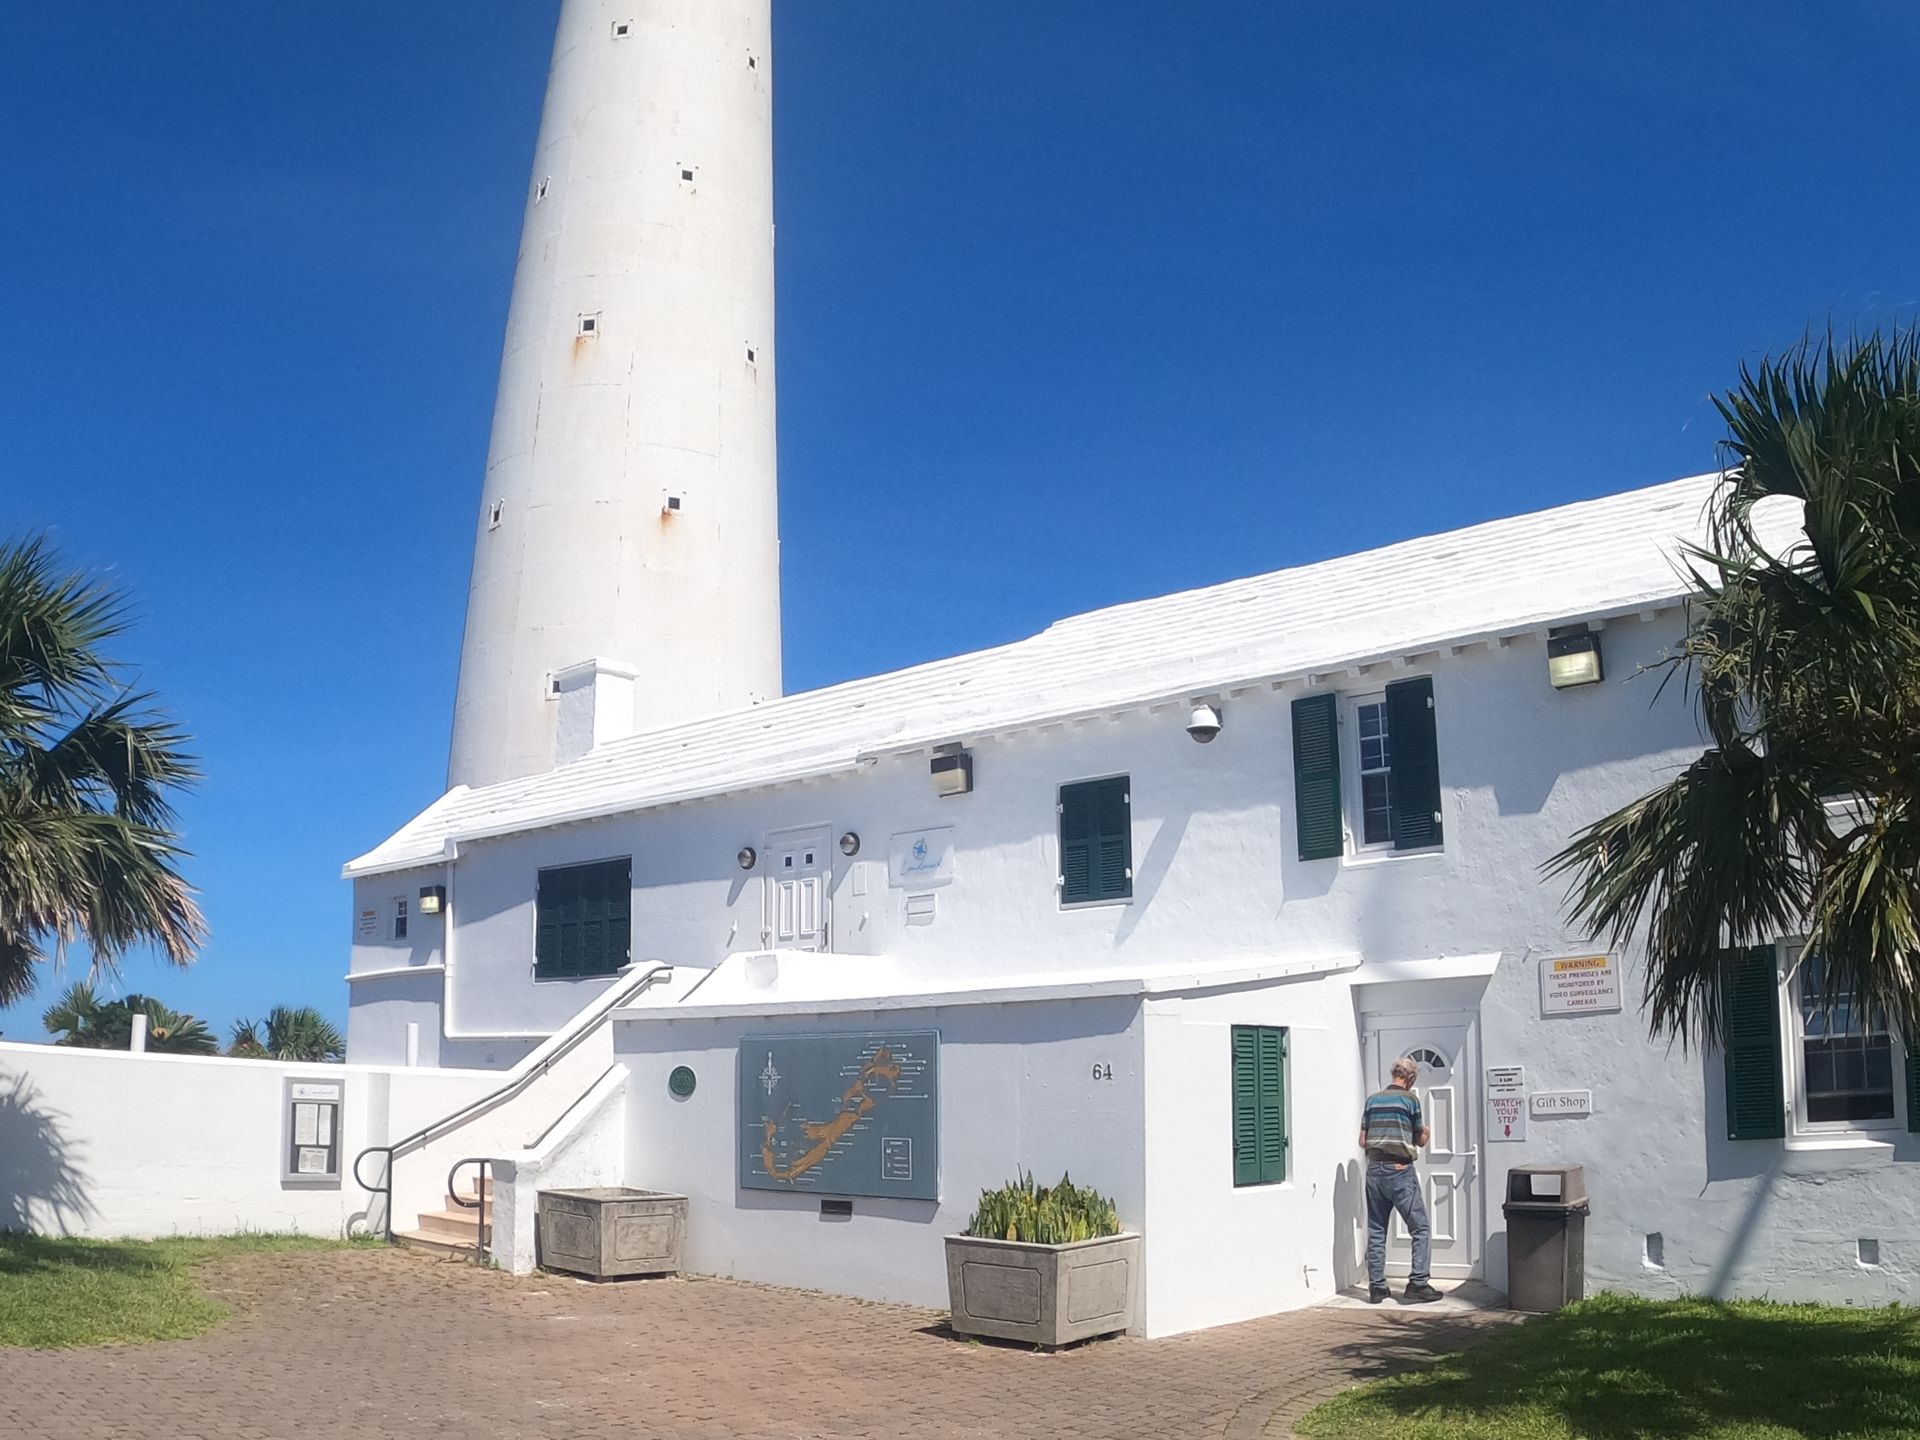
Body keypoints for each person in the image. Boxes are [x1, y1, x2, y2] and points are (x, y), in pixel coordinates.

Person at [1358, 1056, 1443, 1304]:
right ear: (1410, 1078)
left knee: (1376, 1229)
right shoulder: (1410, 1100)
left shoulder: (1372, 1100)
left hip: (1374, 1170)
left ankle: (1377, 1287)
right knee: (1420, 1227)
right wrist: (1427, 1132)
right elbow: (1419, 1140)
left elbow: (1363, 1141)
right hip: (1400, 1170)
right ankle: (1418, 1283)